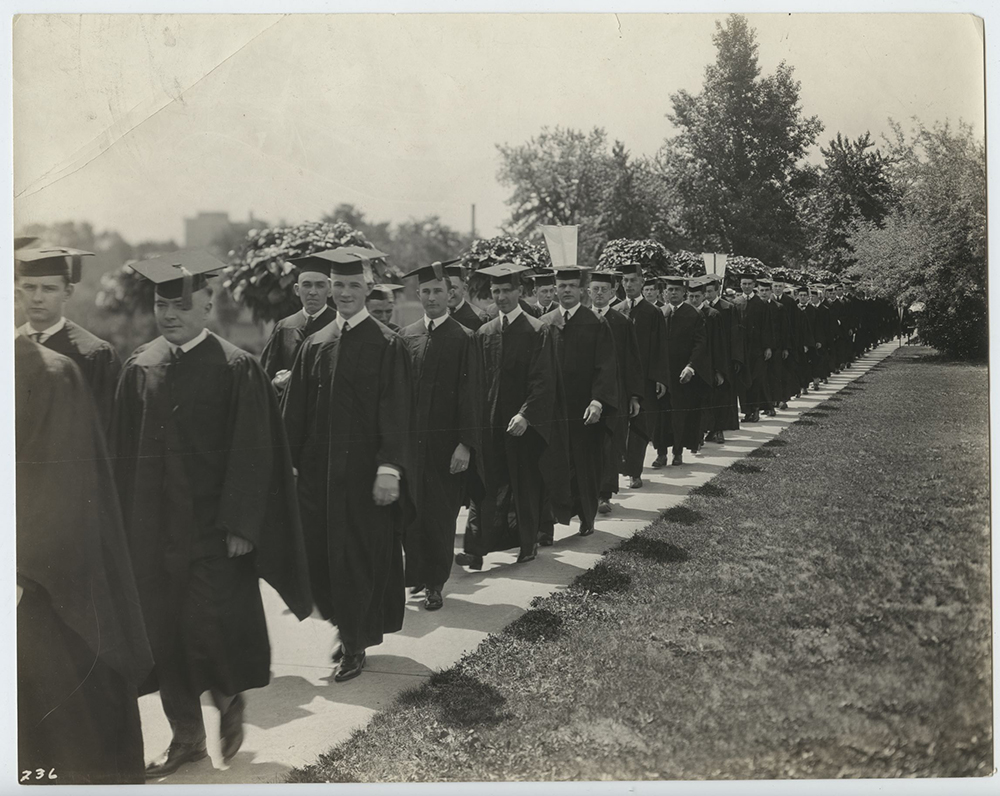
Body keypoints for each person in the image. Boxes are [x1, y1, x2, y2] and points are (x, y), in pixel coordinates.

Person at [111, 251, 312, 779]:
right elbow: (122, 455)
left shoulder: (236, 366)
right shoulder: (139, 367)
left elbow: (254, 454)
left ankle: (228, 699)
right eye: (161, 303)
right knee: (163, 635)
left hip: (215, 534)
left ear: (206, 305)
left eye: (180, 304)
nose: (169, 313)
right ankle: (186, 739)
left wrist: (243, 525)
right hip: (155, 533)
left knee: (211, 626)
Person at [17, 336, 153, 785]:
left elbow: (58, 489)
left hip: (43, 588)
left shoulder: (51, 375)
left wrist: (18, 573)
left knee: (64, 734)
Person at [282, 246, 410, 682]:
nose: (345, 293)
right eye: (338, 285)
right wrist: (291, 465)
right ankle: (344, 625)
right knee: (321, 560)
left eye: (354, 285)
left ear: (368, 287)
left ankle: (354, 642)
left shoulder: (387, 343)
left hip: (364, 477)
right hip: (318, 477)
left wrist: (389, 468)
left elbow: (397, 410)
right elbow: (294, 413)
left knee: (356, 559)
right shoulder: (315, 343)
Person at [457, 263, 570, 568]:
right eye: (496, 291)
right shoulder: (484, 332)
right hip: (490, 423)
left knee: (524, 484)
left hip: (523, 425)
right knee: (484, 483)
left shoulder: (538, 330)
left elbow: (543, 380)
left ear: (521, 292)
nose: (502, 296)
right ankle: (476, 549)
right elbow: (476, 383)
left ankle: (528, 542)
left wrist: (526, 414)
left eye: (508, 290)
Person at [399, 263, 484, 611]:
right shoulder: (406, 337)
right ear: (418, 295)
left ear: (450, 295)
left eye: (438, 291)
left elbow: (473, 395)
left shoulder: (465, 337)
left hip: (445, 447)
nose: (432, 297)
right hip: (409, 446)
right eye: (426, 291)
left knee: (440, 515)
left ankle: (435, 582)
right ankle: (417, 573)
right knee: (411, 513)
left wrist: (466, 443)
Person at [535, 237, 618, 541]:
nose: (567, 290)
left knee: (585, 463)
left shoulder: (596, 323)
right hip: (552, 408)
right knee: (549, 463)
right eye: (562, 286)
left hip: (585, 407)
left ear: (581, 290)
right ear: (554, 290)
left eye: (572, 286)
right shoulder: (544, 323)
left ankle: (586, 515)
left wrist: (598, 402)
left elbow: (606, 366)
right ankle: (546, 525)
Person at [15, 244, 121, 429]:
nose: (37, 297)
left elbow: (106, 431)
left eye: (49, 289)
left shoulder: (94, 354)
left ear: (67, 292)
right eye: (29, 287)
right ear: (17, 292)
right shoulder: (10, 345)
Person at [589, 270, 642, 514]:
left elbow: (632, 361)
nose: (599, 294)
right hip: (585, 393)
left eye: (604, 290)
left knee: (609, 444)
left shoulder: (622, 322)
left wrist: (634, 396)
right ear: (588, 292)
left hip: (615, 394)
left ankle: (604, 495)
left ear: (612, 293)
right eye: (595, 289)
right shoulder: (580, 319)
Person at [612, 262, 668, 479]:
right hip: (619, 379)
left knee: (640, 426)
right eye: (625, 281)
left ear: (642, 282)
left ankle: (635, 472)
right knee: (618, 425)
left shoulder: (652, 312)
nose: (628, 285)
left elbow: (660, 348)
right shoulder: (616, 311)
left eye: (633, 280)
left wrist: (660, 378)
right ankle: (617, 470)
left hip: (645, 378)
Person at [259, 253, 337, 397]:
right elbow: (264, 377)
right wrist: (276, 383)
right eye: (306, 285)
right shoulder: (284, 327)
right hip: (290, 413)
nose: (313, 292)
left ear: (330, 290)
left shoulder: (339, 324)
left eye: (320, 285)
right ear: (296, 289)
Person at [659, 276, 711, 465]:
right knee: (662, 415)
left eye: (677, 290)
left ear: (684, 293)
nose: (673, 293)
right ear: (665, 292)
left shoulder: (694, 315)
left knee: (679, 414)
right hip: (663, 374)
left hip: (683, 374)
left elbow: (700, 344)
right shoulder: (660, 313)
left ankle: (678, 451)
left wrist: (691, 366)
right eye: (670, 290)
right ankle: (661, 452)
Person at [686, 278, 726, 446]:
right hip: (689, 366)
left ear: (704, 296)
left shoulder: (713, 315)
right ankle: (696, 435)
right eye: (691, 296)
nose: (694, 300)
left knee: (706, 402)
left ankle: (704, 433)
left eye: (697, 296)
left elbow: (718, 345)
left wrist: (718, 370)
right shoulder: (685, 313)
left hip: (707, 367)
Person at [703, 275, 742, 442]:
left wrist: (735, 358)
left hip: (723, 357)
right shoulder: (700, 309)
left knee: (722, 394)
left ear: (717, 290)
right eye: (705, 292)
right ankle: (708, 428)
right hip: (705, 357)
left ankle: (719, 429)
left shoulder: (728, 308)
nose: (707, 295)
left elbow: (735, 335)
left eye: (710, 291)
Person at [732, 274, 771, 423]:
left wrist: (768, 347)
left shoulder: (761, 304)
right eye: (744, 284)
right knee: (742, 380)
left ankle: (755, 409)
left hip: (757, 349)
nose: (746, 286)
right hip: (741, 349)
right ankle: (746, 411)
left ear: (754, 284)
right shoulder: (736, 303)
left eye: (749, 284)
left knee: (755, 380)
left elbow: (767, 327)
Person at [445, 261, 491, 331]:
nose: (449, 293)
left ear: (464, 289)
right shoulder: (437, 315)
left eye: (453, 288)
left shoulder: (479, 318)